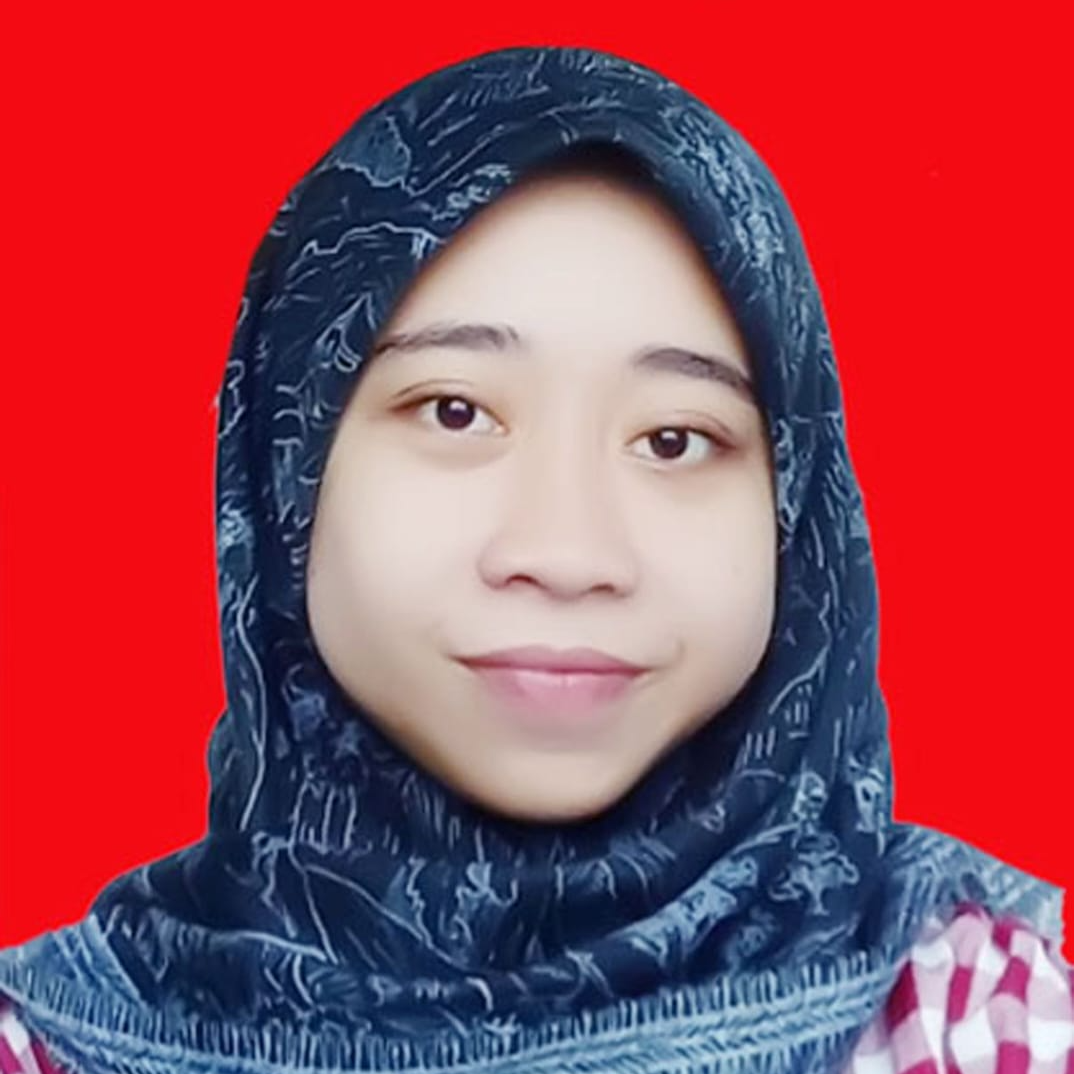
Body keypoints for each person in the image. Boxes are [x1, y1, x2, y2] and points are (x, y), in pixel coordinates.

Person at [0, 45, 1070, 1074]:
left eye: (673, 440)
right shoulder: (46, 1045)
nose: (567, 553)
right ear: (286, 478)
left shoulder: (982, 1010)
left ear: (796, 508)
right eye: (455, 411)